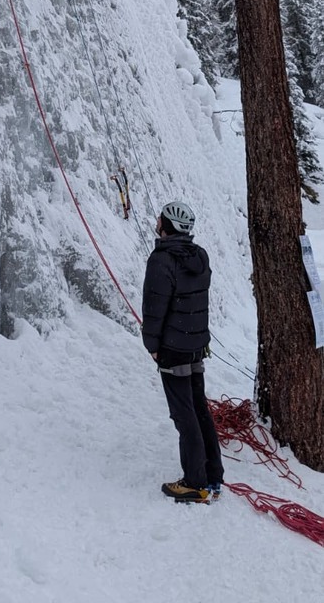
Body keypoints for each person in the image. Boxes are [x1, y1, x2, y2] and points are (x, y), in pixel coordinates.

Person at [141, 200, 224, 504]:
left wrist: (152, 346)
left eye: (160, 218)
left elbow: (154, 307)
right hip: (195, 347)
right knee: (199, 408)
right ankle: (213, 476)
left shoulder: (162, 260)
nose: (157, 221)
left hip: (173, 349)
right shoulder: (199, 256)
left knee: (183, 414)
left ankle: (195, 483)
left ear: (167, 226)